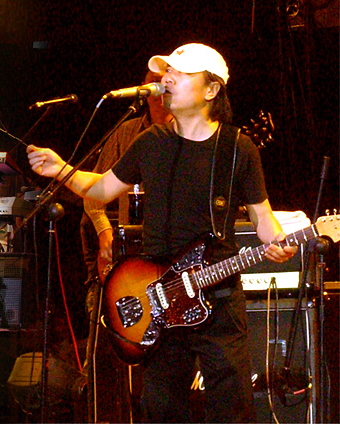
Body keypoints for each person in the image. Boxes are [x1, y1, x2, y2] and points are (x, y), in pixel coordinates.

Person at [27, 43, 297, 422]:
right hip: (159, 297)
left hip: (218, 298)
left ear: (211, 90)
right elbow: (101, 189)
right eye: (166, 71)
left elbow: (263, 219)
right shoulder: (151, 142)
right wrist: (60, 169)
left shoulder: (238, 148)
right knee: (162, 410)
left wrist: (280, 244)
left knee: (232, 408)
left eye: (180, 73)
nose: (167, 79)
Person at [79, 70, 171, 422]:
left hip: (168, 266)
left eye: (164, 83)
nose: (158, 94)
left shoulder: (191, 136)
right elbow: (94, 194)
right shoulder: (127, 133)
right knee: (108, 364)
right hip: (123, 264)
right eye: (152, 86)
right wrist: (104, 232)